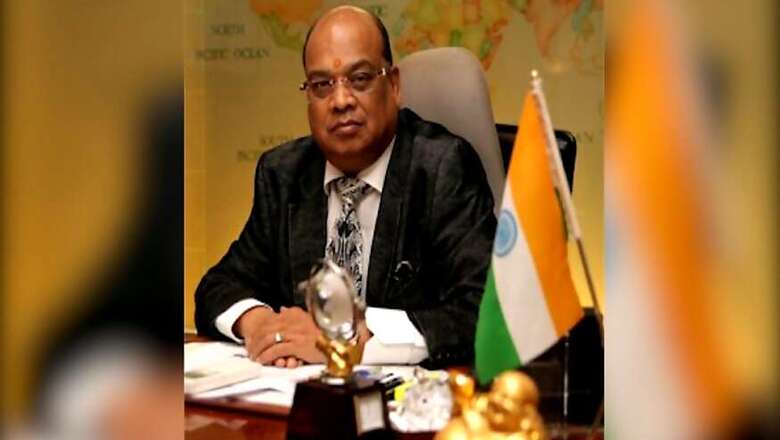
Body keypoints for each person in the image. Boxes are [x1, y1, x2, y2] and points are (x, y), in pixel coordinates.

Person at [194, 5, 496, 369]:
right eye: (322, 84)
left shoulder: (441, 168)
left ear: (394, 85)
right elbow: (219, 285)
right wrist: (260, 324)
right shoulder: (284, 174)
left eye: (360, 78)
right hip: (297, 394)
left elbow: (483, 311)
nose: (340, 101)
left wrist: (343, 337)